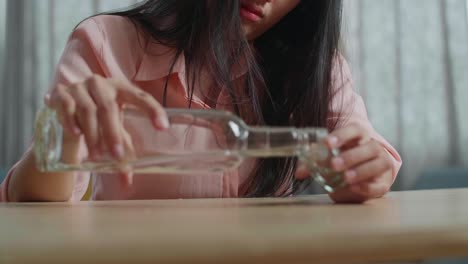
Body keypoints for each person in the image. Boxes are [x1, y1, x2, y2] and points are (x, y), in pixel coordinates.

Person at [0, 0, 401, 203]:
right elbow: (30, 200)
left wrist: (363, 170)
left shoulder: (315, 68)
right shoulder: (106, 42)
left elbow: (360, 146)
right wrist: (62, 134)